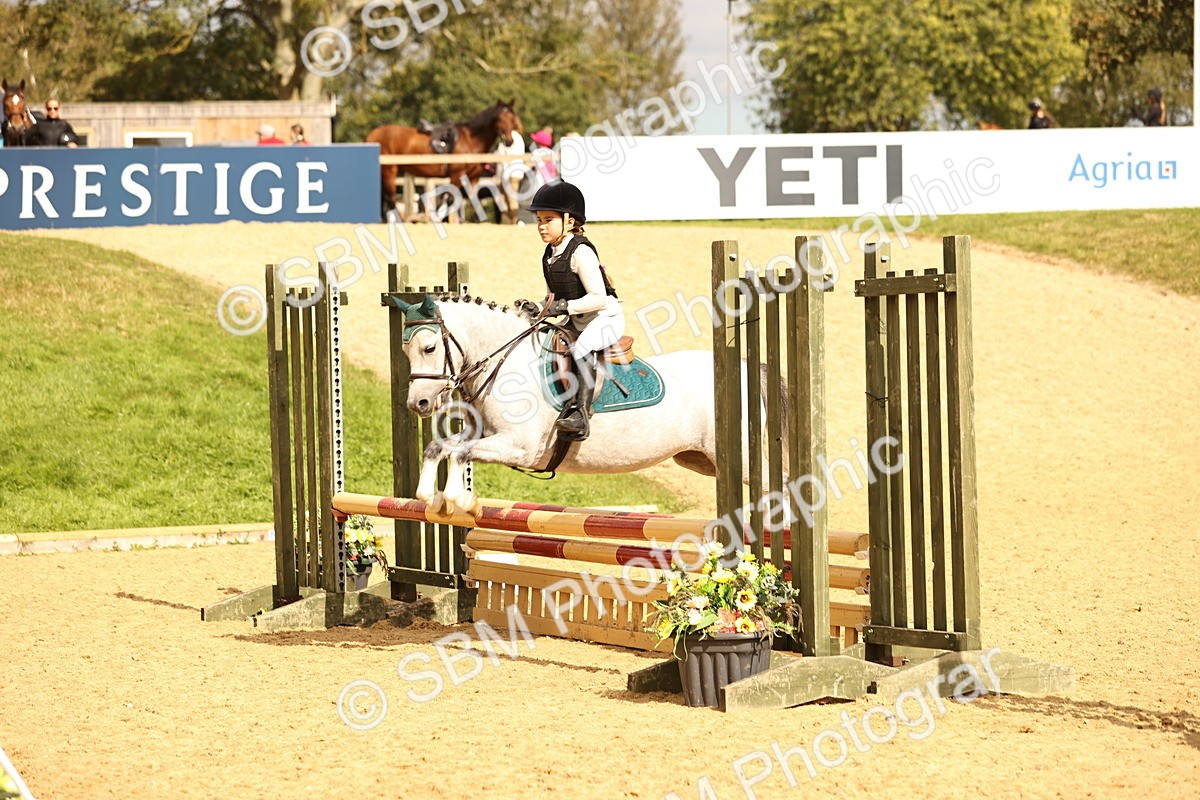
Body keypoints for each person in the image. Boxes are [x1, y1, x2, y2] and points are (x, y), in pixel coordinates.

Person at [516, 180, 624, 439]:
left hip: (604, 318)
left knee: (583, 346)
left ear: (570, 221)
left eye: (548, 219)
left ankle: (580, 413)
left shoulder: (581, 251)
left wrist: (562, 307)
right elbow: (555, 296)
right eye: (539, 219)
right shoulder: (550, 253)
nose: (541, 225)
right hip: (577, 319)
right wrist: (539, 307)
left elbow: (598, 298)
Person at [495, 128, 525, 224]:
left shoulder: (513, 137)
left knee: (512, 199)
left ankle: (514, 221)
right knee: (505, 200)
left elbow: (507, 155)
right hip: (508, 173)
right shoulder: (510, 137)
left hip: (513, 173)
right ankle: (510, 222)